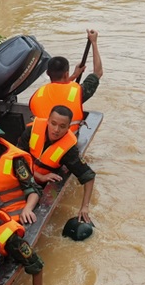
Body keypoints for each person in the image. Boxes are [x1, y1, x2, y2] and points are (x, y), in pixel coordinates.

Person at [25, 103, 97, 240]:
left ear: (68, 128)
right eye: (53, 123)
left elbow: (89, 176)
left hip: (38, 186)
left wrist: (84, 207)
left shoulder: (69, 150)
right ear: (47, 121)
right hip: (23, 175)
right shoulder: (32, 130)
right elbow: (16, 158)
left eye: (62, 127)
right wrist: (40, 175)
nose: (56, 130)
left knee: (41, 200)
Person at [29, 30, 103, 122]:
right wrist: (94, 43)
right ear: (66, 74)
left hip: (40, 135)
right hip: (69, 135)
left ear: (48, 73)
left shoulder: (37, 94)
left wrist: (74, 76)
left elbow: (58, 91)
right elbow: (98, 72)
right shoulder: (79, 92)